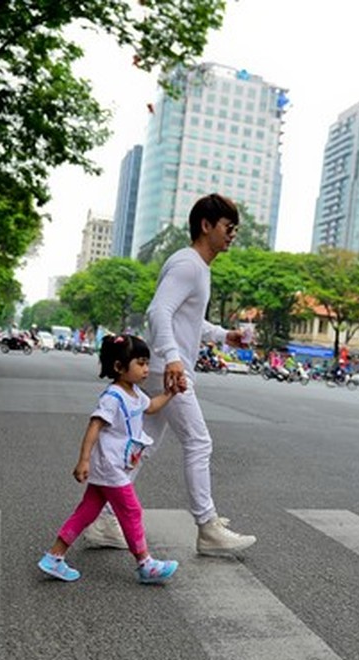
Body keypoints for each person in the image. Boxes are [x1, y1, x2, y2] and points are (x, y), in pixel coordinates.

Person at [82, 194, 255, 555]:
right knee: (199, 441)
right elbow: (158, 310)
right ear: (206, 226)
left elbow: (186, 318)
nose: (233, 235)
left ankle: (104, 519)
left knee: (140, 446)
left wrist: (225, 335)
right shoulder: (188, 265)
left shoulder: (195, 266)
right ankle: (207, 527)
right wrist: (173, 359)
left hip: (166, 365)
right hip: (169, 370)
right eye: (228, 227)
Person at [38, 335, 180, 584]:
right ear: (118, 367)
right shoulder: (113, 397)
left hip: (115, 465)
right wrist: (83, 460)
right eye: (140, 363)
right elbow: (94, 426)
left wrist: (170, 393)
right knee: (131, 510)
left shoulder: (134, 393)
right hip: (109, 466)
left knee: (88, 510)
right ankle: (145, 564)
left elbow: (151, 407)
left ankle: (54, 556)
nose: (146, 369)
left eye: (147, 363)